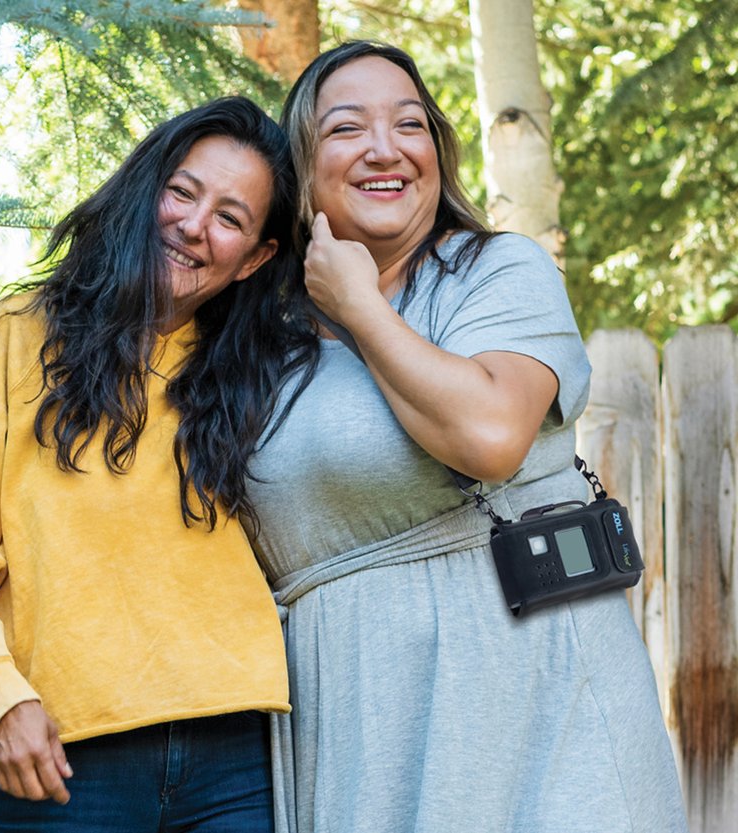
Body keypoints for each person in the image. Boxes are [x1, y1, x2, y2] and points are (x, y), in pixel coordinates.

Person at [245, 40, 687, 832]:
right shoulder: (259, 341)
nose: (386, 147)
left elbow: (488, 434)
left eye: (409, 124)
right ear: (301, 169)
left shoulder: (499, 272)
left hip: (540, 712)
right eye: (347, 129)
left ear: (437, 154)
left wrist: (358, 302)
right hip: (357, 736)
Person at [0, 97, 316, 832]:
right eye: (182, 192)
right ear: (143, 188)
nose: (193, 225)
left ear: (256, 256)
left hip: (238, 760)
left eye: (229, 217)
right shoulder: (14, 336)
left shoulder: (267, 372)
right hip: (65, 757)